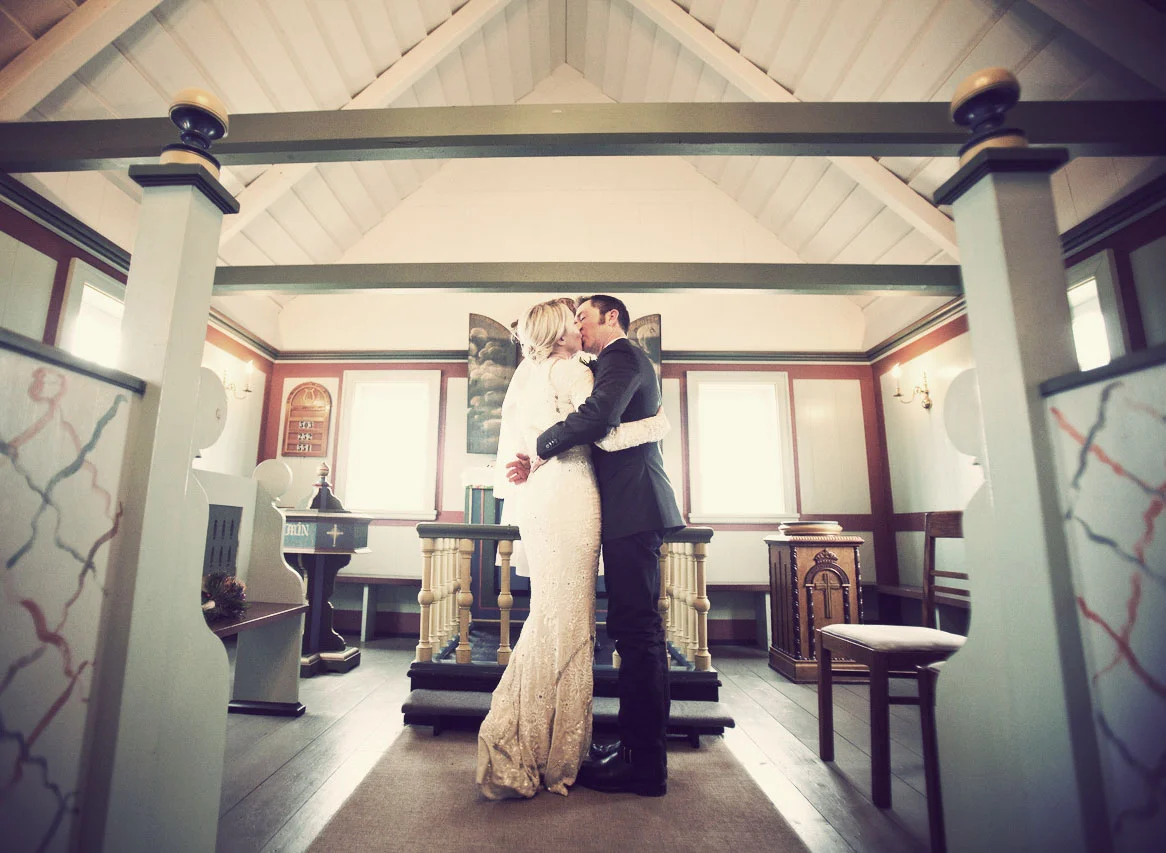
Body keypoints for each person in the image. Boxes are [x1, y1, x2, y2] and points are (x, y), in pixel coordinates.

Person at [476, 297, 669, 800]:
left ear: (611, 318)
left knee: (635, 630)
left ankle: (643, 761)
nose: (579, 324)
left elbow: (597, 420)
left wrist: (539, 452)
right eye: (573, 318)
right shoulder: (580, 367)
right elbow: (597, 424)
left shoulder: (619, 356)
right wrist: (657, 424)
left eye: (584, 316)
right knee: (619, 626)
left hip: (630, 506)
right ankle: (611, 750)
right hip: (591, 500)